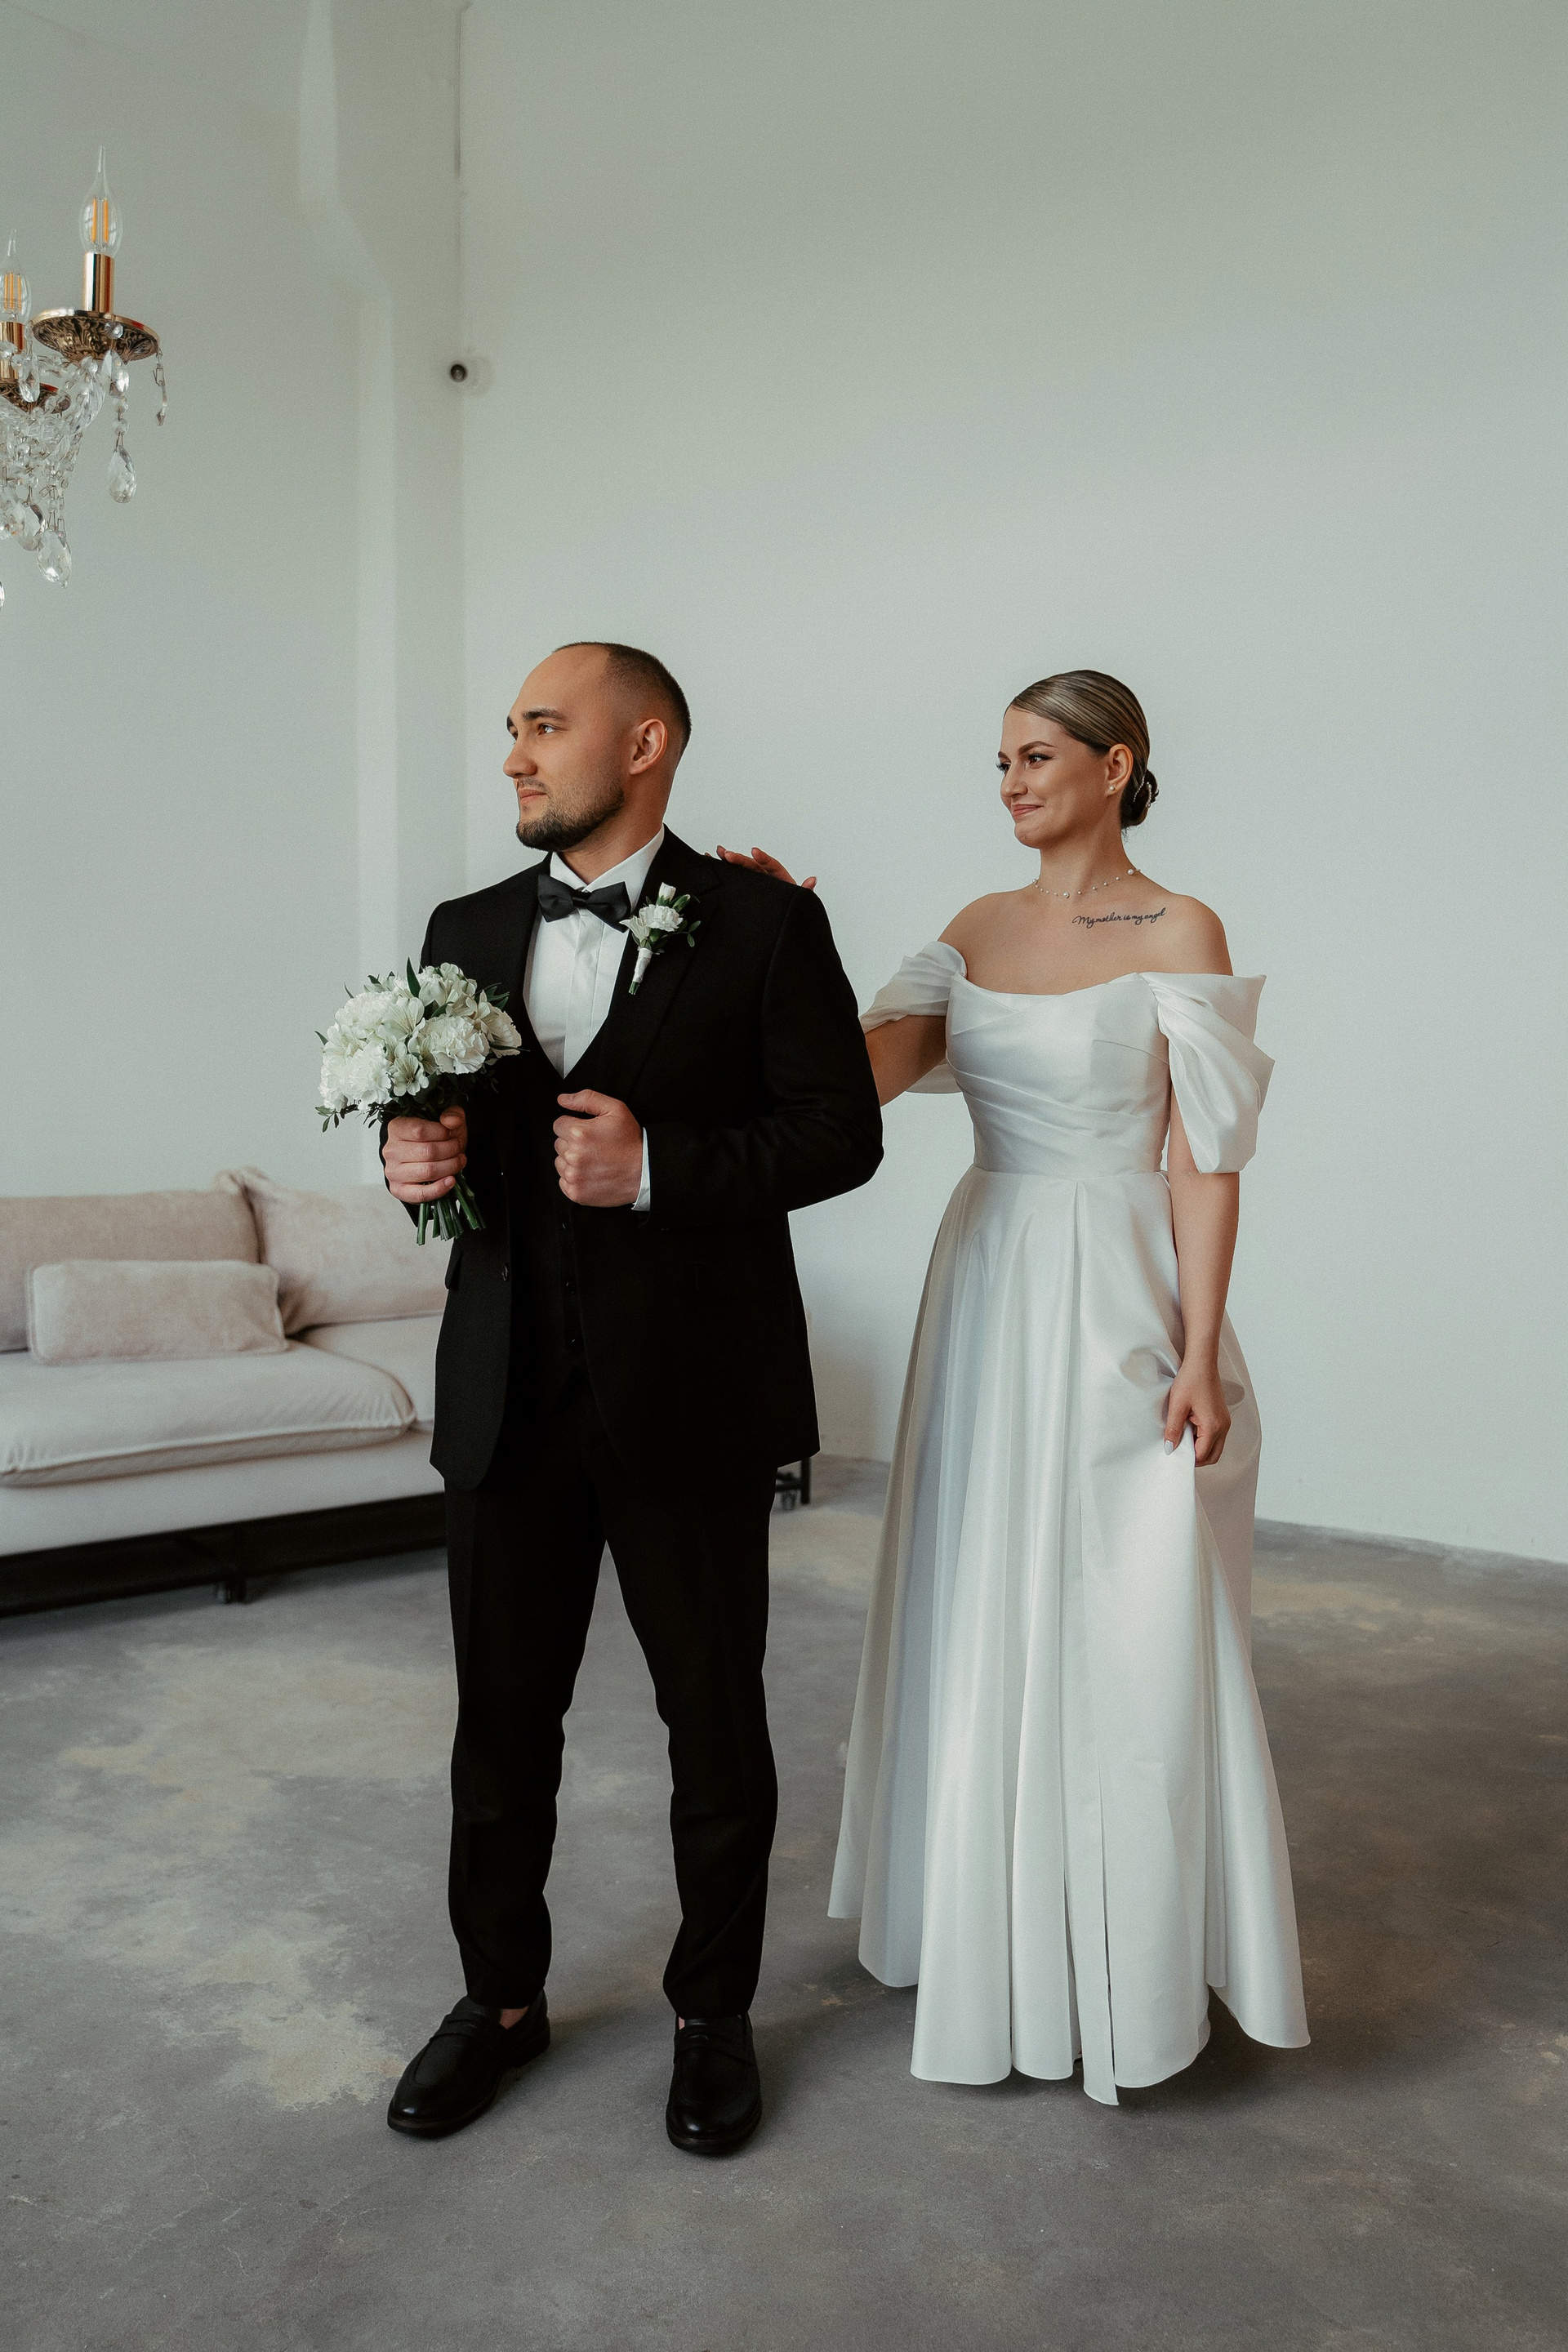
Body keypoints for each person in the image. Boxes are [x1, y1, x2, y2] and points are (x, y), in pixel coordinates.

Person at [725, 670, 1308, 2103]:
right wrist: (793, 943)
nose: (1012, 783)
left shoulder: (1181, 928)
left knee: (1132, 1613)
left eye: (1038, 757)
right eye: (1000, 762)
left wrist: (1200, 1349)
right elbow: (859, 1082)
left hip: (1119, 1284)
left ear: (1117, 766)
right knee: (984, 1584)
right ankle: (998, 1930)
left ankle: (1128, 1963)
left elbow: (1205, 1161)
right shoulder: (977, 927)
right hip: (989, 1275)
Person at [381, 641, 882, 2151]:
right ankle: (499, 2002)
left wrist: (659, 1168)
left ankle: (711, 2015)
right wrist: (416, 1160)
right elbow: (442, 1121)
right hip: (505, 1396)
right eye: (512, 730)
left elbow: (840, 1133)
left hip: (693, 1396)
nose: (515, 756)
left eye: (545, 726)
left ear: (645, 741)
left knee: (713, 1728)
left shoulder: (769, 922)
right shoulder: (464, 925)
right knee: (498, 1730)